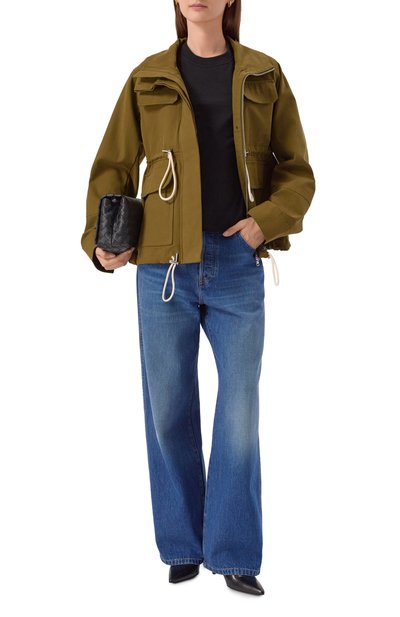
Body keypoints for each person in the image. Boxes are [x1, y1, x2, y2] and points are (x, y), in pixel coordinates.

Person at [81, 0, 316, 596]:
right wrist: (100, 240)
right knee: (167, 410)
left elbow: (297, 170)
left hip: (237, 263)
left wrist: (266, 222)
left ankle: (234, 552)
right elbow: (112, 166)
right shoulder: (148, 77)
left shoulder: (264, 74)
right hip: (162, 266)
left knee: (239, 411)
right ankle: (183, 544)